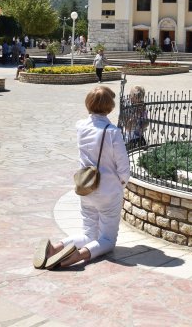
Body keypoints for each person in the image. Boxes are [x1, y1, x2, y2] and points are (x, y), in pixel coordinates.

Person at [33, 86, 130, 270]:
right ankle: (76, 256)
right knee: (107, 240)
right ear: (109, 107)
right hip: (109, 192)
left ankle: (55, 248)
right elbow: (123, 167)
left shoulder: (81, 126)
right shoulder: (112, 132)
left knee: (88, 234)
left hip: (86, 188)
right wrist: (121, 184)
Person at [124, 86, 148, 150]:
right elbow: (128, 128)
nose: (139, 103)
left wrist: (143, 125)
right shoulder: (127, 108)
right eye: (136, 98)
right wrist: (136, 115)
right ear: (130, 97)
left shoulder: (142, 107)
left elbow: (146, 123)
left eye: (140, 100)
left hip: (140, 137)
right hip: (129, 139)